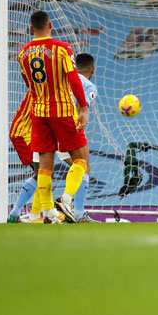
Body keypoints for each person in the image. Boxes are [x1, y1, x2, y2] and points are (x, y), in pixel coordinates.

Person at [17, 10, 89, 224]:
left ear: (31, 28)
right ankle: (65, 200)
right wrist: (83, 107)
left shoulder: (22, 53)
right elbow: (73, 79)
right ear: (50, 25)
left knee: (45, 164)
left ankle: (48, 211)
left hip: (39, 112)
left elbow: (29, 84)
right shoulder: (62, 48)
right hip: (63, 110)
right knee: (81, 160)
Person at [56, 53, 99, 223]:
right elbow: (82, 106)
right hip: (68, 126)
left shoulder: (61, 79)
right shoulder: (88, 86)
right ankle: (76, 211)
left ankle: (45, 212)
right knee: (83, 165)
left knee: (43, 170)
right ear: (92, 70)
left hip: (47, 124)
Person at [6, 90, 39, 223]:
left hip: (29, 131)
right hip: (23, 132)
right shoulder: (41, 85)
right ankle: (35, 215)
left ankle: (16, 214)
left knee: (43, 173)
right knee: (43, 172)